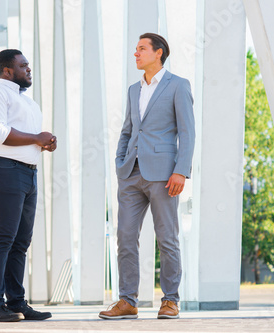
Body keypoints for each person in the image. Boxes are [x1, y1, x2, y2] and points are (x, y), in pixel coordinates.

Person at [99, 33, 195, 320]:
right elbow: (128, 130)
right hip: (130, 173)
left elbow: (188, 132)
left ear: (159, 52)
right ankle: (127, 301)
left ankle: (170, 300)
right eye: (136, 49)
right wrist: (120, 162)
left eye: (141, 49)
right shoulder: (133, 89)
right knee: (125, 237)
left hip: (164, 175)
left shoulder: (178, 85)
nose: (136, 53)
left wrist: (181, 170)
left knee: (167, 238)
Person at [0, 49, 56, 322]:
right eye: (23, 66)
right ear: (7, 70)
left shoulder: (26, 101)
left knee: (21, 242)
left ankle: (17, 303)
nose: (28, 69)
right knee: (3, 238)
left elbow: (28, 138)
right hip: (2, 168)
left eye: (28, 65)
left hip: (26, 173)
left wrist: (42, 143)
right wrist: (36, 137)